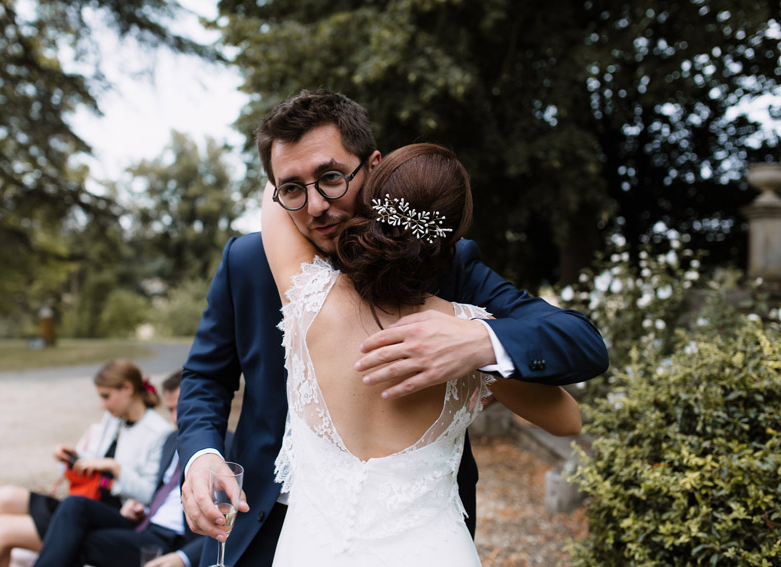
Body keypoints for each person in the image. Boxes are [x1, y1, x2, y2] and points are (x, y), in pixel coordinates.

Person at [178, 89, 608, 567]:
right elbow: (205, 377)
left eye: (332, 177)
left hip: (417, 532)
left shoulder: (454, 265)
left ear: (374, 166)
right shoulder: (247, 261)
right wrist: (201, 455)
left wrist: (481, 341)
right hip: (264, 521)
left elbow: (580, 342)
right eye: (293, 189)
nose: (316, 206)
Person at [263, 142, 582, 565]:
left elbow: (272, 197)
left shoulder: (308, 297)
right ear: (454, 239)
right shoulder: (468, 334)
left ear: (369, 204)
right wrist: (481, 345)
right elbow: (569, 420)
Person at [0, 359, 173, 567]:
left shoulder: (158, 432)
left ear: (127, 388)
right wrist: (71, 456)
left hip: (115, 515)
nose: (103, 405)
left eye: (106, 396)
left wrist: (114, 468)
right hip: (84, 500)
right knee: (1, 498)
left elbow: (152, 495)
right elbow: (92, 462)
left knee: (4, 527)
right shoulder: (113, 420)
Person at [33, 371, 203, 567]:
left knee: (77, 542)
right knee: (74, 505)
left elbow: (234, 519)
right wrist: (141, 505)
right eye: (171, 409)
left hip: (172, 537)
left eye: (181, 408)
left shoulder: (223, 446)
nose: (176, 417)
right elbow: (156, 489)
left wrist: (184, 556)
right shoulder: (172, 439)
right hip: (143, 519)